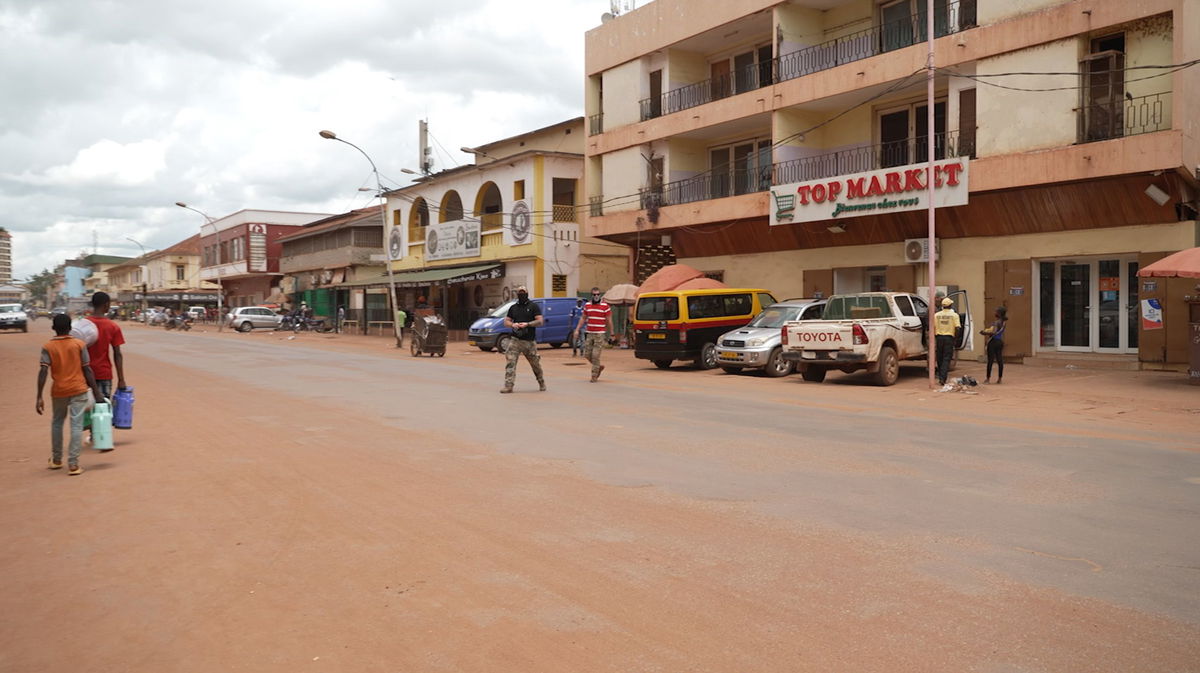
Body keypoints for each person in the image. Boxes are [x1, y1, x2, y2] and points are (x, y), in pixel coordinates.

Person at [37, 314, 107, 476]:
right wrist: (97, 393)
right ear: (70, 328)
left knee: (57, 423)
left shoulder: (48, 346)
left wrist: (39, 396)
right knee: (76, 425)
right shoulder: (79, 344)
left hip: (59, 390)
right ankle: (73, 464)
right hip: (78, 389)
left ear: (53, 328)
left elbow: (43, 371)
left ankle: (56, 460)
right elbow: (87, 369)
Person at [86, 293, 126, 441]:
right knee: (103, 406)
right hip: (104, 372)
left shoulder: (82, 324)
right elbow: (117, 354)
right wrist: (121, 379)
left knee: (88, 406)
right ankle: (102, 435)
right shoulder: (112, 326)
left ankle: (92, 433)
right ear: (106, 305)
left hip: (84, 373)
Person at [500, 286, 545, 394]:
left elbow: (540, 321)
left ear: (527, 293)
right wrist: (513, 324)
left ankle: (541, 381)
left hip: (529, 341)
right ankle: (508, 385)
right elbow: (506, 322)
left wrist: (527, 324)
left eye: (523, 292)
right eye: (519, 292)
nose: (521, 294)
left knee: (535, 364)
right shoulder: (513, 308)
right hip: (515, 340)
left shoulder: (533, 306)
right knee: (510, 363)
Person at [574, 287, 614, 382]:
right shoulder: (587, 305)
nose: (596, 296)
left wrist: (612, 333)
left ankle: (594, 375)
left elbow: (609, 320)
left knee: (595, 355)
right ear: (591, 295)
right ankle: (599, 367)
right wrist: (577, 330)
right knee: (587, 355)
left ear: (600, 295)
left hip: (599, 334)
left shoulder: (605, 306)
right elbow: (583, 318)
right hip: (589, 333)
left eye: (598, 294)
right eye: (594, 294)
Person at [933, 296, 960, 385]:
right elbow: (957, 328)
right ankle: (942, 378)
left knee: (940, 358)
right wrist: (956, 339)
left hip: (939, 338)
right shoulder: (954, 315)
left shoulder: (937, 315)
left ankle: (941, 376)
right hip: (949, 338)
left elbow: (933, 327)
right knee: (946, 358)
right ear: (950, 305)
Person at [983, 305, 1008, 384]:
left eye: (995, 311)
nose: (994, 312)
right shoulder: (1004, 322)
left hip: (993, 342)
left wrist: (984, 332)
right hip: (1000, 341)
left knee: (990, 360)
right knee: (1000, 360)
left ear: (999, 313)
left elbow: (993, 332)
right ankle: (1000, 378)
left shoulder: (996, 322)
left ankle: (988, 378)